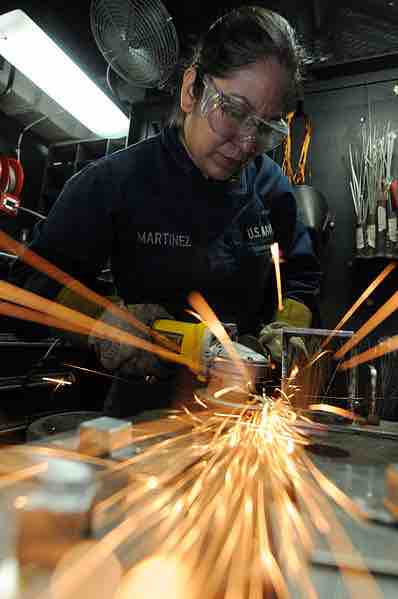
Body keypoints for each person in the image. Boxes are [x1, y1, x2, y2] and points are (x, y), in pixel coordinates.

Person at [10, 6, 321, 417]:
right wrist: (101, 320)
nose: (246, 143)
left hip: (242, 407)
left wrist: (289, 326)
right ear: (192, 89)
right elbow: (33, 285)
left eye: (265, 127)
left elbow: (300, 278)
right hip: (144, 405)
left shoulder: (271, 188)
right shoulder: (116, 181)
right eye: (234, 112)